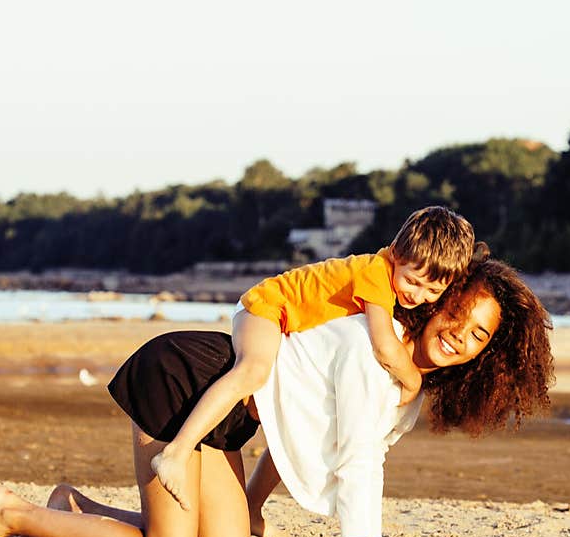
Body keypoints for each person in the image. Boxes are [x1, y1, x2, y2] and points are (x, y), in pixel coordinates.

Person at [0, 251, 554, 537]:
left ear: (488, 353)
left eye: (479, 335)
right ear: (437, 303)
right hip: (189, 380)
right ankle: (11, 513)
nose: (460, 337)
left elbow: (316, 444)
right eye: (458, 317)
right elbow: (357, 464)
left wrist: (261, 508)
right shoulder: (379, 349)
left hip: (229, 419)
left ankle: (70, 510)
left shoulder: (409, 389)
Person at [150, 205, 476, 512]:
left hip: (284, 321)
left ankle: (251, 509)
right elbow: (385, 347)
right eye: (412, 281)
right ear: (395, 252)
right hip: (267, 307)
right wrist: (413, 380)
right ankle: (176, 452)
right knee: (252, 371)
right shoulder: (376, 274)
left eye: (431, 292)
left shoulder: (393, 283)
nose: (417, 296)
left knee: (300, 421)